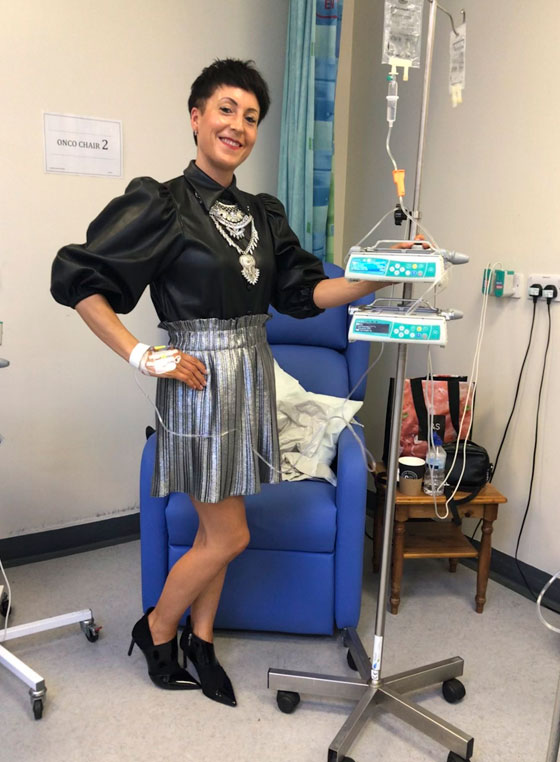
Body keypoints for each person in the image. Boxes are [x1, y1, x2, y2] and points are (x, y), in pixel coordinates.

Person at [51, 58, 391, 707]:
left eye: (251, 117)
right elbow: (80, 280)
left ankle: (200, 642)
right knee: (232, 534)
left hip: (252, 371)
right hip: (199, 380)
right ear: (197, 117)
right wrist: (141, 355)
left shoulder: (263, 213)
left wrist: (378, 276)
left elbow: (307, 292)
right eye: (226, 109)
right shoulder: (160, 203)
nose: (239, 125)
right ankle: (158, 627)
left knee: (216, 534)